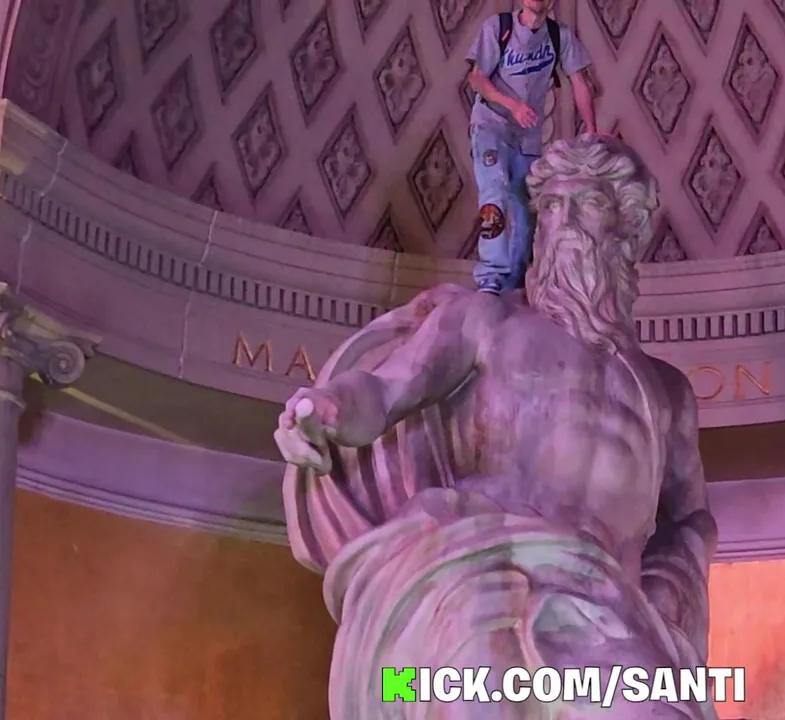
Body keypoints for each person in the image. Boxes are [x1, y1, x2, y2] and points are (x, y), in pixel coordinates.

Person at [275, 136, 718, 719]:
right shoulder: (486, 322)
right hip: (480, 561)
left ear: (628, 229)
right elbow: (384, 392)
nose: (563, 223)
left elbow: (689, 517)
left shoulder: (665, 390)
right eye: (552, 206)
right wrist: (328, 408)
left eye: (586, 204)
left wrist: (671, 587)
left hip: (607, 600)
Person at [465, 0, 597, 295]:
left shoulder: (558, 36)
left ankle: (514, 283)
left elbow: (579, 83)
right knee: (494, 190)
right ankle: (491, 276)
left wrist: (591, 131)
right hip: (491, 126)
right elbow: (477, 79)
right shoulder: (498, 28)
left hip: (527, 137)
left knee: (528, 212)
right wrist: (513, 105)